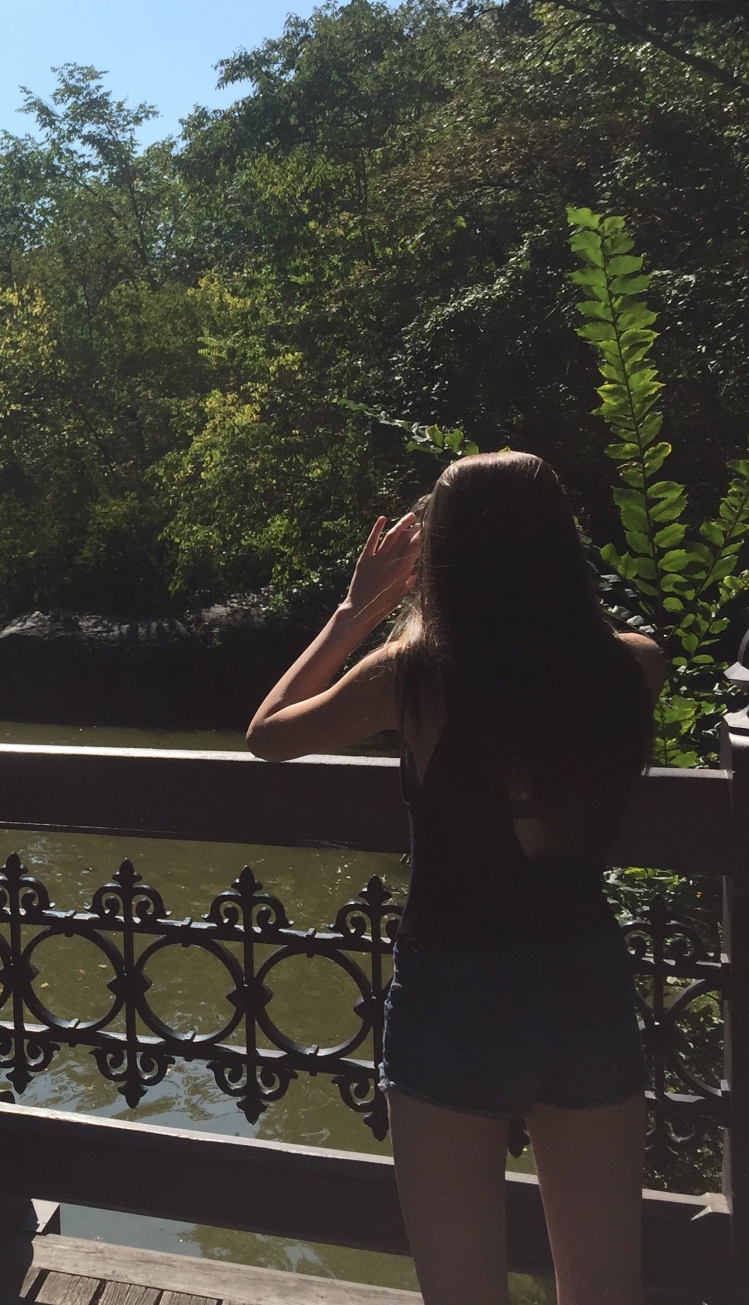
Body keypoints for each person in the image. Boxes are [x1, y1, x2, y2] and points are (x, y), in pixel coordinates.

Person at [246, 452, 663, 1305]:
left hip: (457, 993)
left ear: (441, 558)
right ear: (562, 546)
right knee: (607, 1289)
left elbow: (268, 734)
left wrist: (353, 610)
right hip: (585, 984)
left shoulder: (413, 678)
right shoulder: (635, 668)